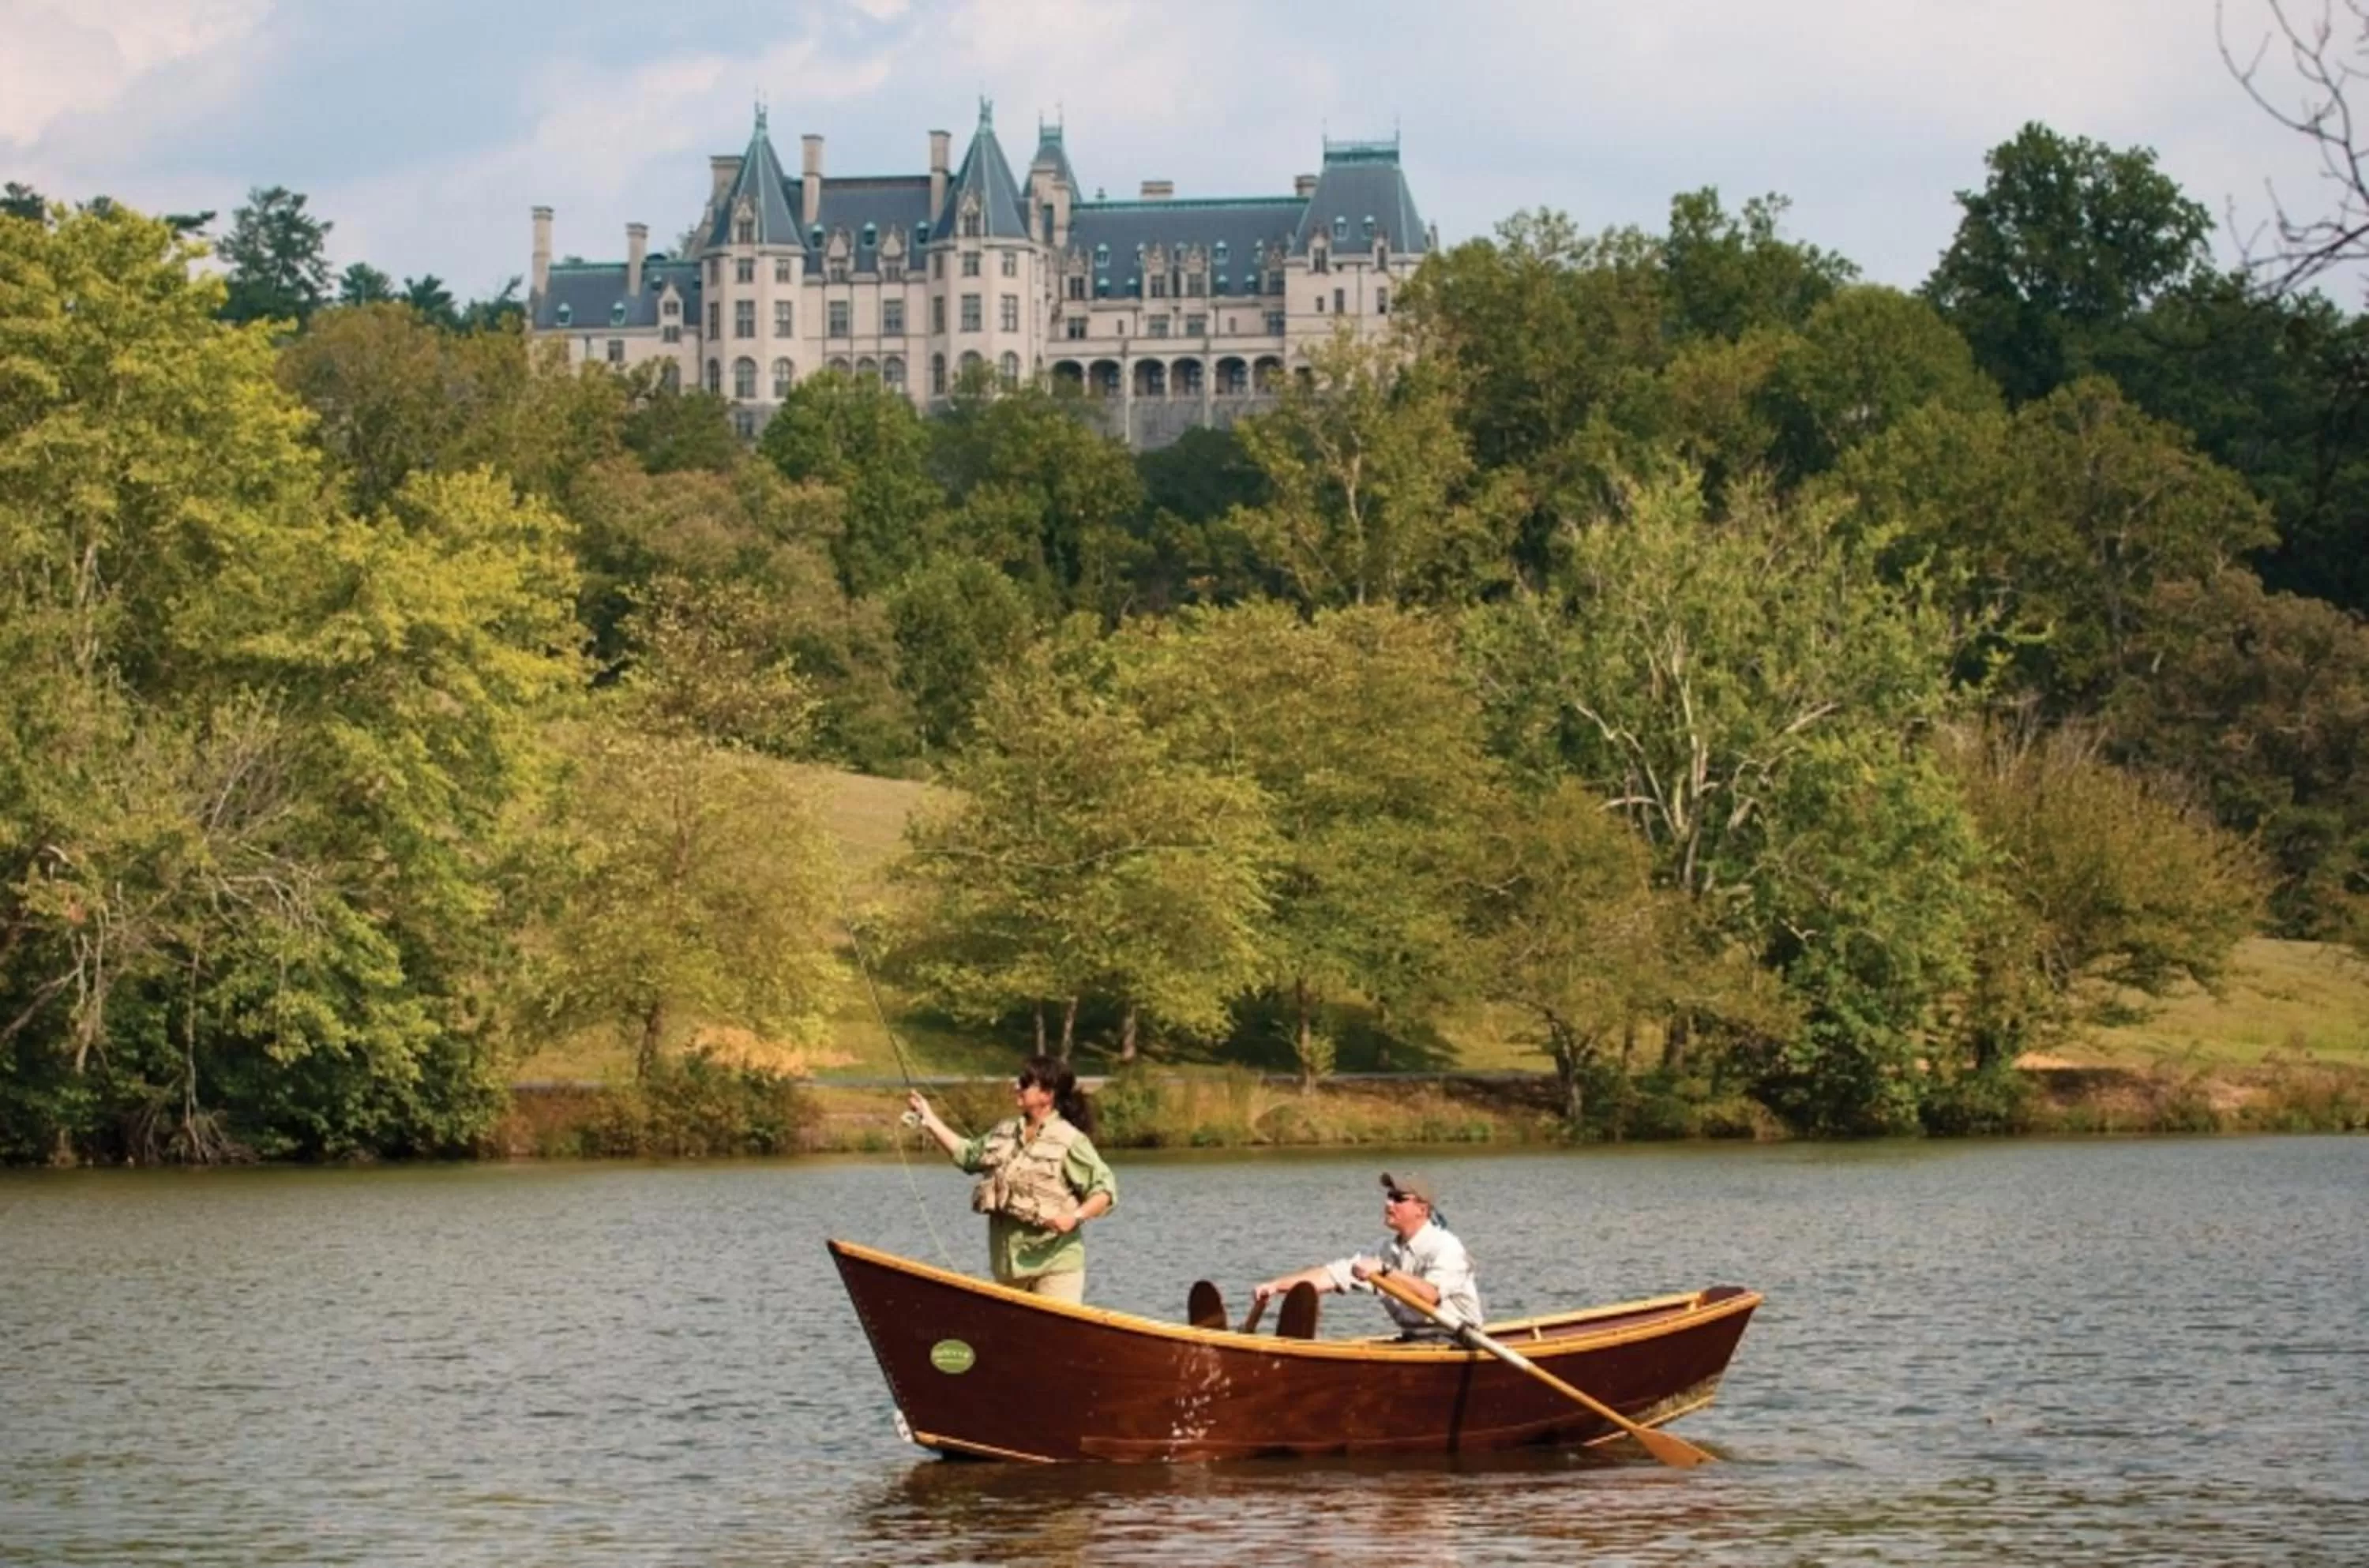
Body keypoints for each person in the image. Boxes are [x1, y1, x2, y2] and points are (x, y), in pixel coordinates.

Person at [905, 1055, 1117, 1304]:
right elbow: (967, 1155)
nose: (1017, 1087)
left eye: (1025, 1083)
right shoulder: (1003, 1132)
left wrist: (1075, 1217)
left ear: (1046, 1096)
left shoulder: (1070, 1140)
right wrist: (928, 1118)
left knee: (1050, 1340)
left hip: (1056, 1267)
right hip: (1009, 1270)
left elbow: (1105, 1190)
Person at [1252, 1171, 1481, 1339]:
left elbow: (1430, 1296)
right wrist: (1277, 1286)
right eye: (1388, 1196)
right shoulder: (1385, 1250)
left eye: (1398, 1198)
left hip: (1459, 1339)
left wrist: (1386, 1271)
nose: (1388, 1203)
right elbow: (1331, 1276)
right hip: (1416, 1340)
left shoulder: (1446, 1247)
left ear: (1422, 1209)